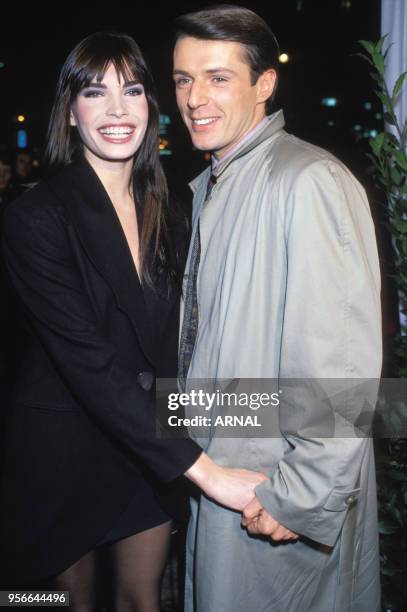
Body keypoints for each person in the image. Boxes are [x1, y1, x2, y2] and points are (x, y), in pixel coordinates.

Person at [0, 31, 266, 611]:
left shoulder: (173, 214)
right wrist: (209, 472)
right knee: (62, 602)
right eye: (95, 93)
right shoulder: (36, 217)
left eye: (134, 90)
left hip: (146, 452)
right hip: (63, 453)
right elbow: (88, 363)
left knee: (143, 599)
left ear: (151, 106)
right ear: (70, 113)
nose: (118, 110)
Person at [173, 5, 382, 612]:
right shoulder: (219, 183)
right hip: (232, 476)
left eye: (218, 78)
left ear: (265, 84)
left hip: (272, 492)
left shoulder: (307, 179)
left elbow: (338, 358)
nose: (194, 98)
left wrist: (302, 496)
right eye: (184, 79)